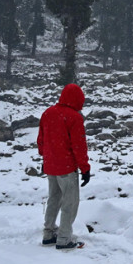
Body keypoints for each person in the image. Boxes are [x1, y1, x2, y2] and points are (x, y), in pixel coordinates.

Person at [37, 83, 91, 250]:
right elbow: (78, 146)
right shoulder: (74, 117)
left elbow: (41, 140)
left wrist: (46, 157)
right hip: (66, 168)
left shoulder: (48, 113)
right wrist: (85, 168)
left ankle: (48, 234)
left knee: (54, 198)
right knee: (70, 202)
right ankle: (64, 238)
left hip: (50, 165)